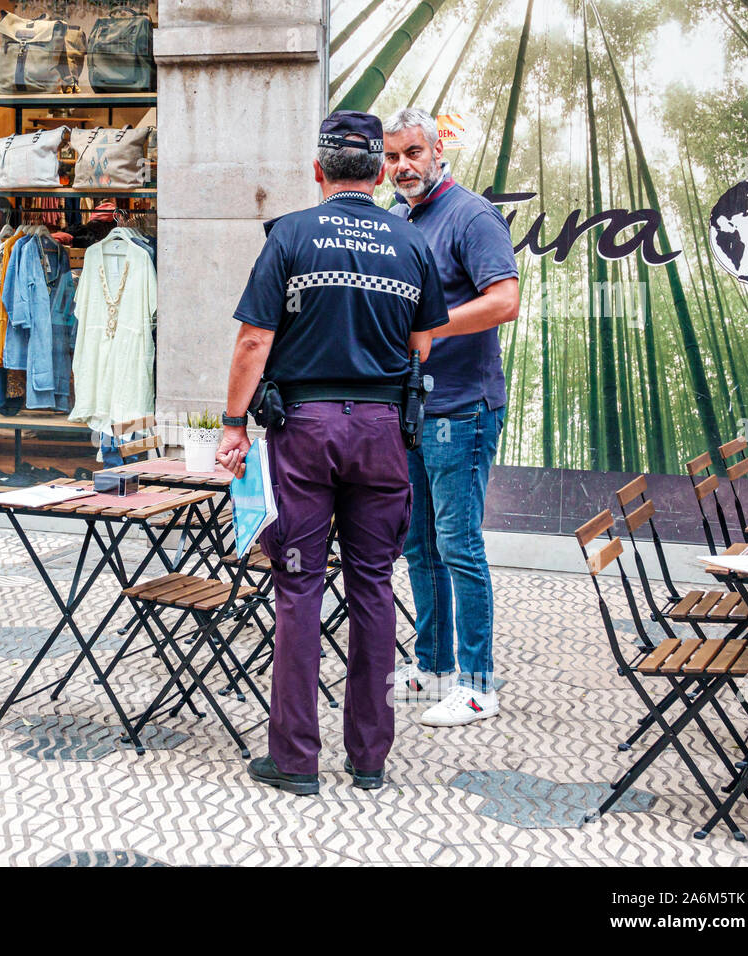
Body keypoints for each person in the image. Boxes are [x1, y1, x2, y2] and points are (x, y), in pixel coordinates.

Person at [216, 111, 449, 795]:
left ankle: (294, 761)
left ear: (317, 171)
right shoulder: (409, 243)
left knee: (298, 587)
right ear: (379, 174)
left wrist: (234, 425)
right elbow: (424, 343)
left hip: (306, 435)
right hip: (381, 435)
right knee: (374, 586)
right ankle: (370, 760)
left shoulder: (289, 235)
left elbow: (254, 342)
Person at [382, 107, 520, 726]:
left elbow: (505, 301)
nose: (402, 166)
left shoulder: (471, 214)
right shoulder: (397, 220)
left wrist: (428, 328)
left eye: (412, 153)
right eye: (391, 158)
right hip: (414, 409)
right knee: (419, 544)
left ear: (437, 151)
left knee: (459, 544)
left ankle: (477, 683)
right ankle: (431, 664)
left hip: (462, 409)